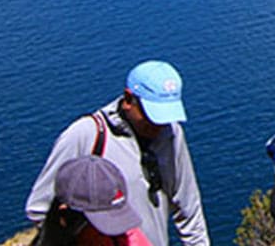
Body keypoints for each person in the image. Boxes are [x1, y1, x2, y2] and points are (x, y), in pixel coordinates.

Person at [26, 61, 208, 246]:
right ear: (129, 99)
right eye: (152, 115)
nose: (159, 125)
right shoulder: (85, 135)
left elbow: (188, 207)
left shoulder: (171, 134)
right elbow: (40, 208)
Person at [33, 156, 151, 246]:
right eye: (103, 225)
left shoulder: (132, 239)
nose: (114, 236)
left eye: (120, 219)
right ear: (65, 217)